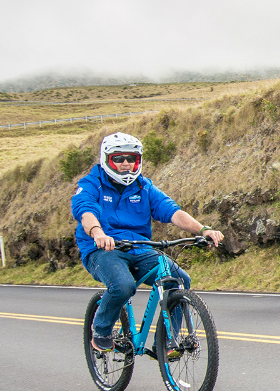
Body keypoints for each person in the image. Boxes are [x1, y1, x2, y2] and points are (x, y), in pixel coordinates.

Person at [71, 132, 224, 355]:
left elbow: (172, 211)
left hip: (139, 247)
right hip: (102, 249)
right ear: (107, 159)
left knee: (179, 279)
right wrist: (97, 233)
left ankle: (167, 341)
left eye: (131, 159)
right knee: (123, 287)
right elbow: (85, 211)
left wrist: (203, 229)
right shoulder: (91, 184)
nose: (126, 164)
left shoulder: (144, 187)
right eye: (119, 158)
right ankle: (102, 330)